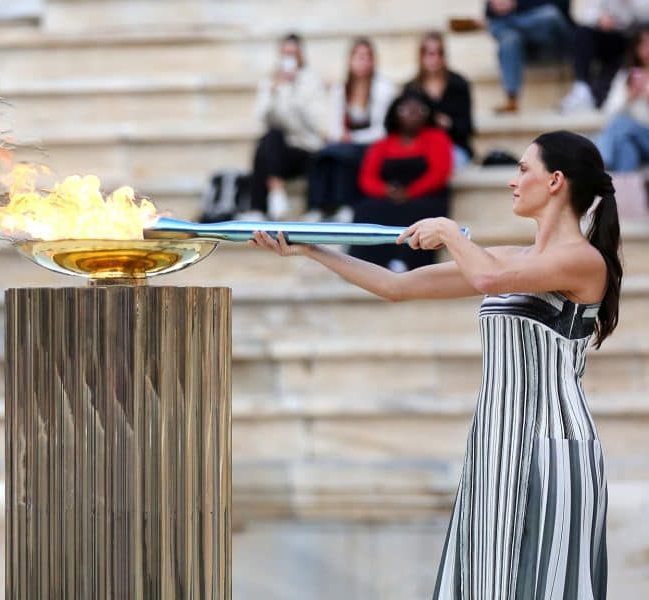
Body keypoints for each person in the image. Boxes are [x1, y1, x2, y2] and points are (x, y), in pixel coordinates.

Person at [251, 130, 620, 599]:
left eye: (524, 169)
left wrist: (447, 230)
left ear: (555, 181)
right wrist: (309, 249)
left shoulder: (584, 261)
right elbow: (396, 287)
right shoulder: (510, 257)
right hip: (494, 446)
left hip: (554, 449)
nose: (512, 180)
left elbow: (488, 277)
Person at [351, 90, 453, 272]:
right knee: (368, 208)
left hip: (425, 195)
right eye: (405, 110)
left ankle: (409, 263)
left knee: (419, 211)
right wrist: (385, 190)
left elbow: (439, 173)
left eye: (418, 110)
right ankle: (368, 264)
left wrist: (411, 192)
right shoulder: (383, 144)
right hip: (389, 194)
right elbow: (367, 178)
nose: (412, 115)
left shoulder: (436, 138)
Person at [305, 37, 396, 222]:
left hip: (373, 145)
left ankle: (339, 204)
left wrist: (352, 137)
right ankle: (319, 206)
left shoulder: (383, 88)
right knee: (327, 155)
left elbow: (381, 130)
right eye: (358, 56)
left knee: (339, 155)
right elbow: (335, 125)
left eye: (366, 57)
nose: (362, 61)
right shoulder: (340, 89)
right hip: (347, 144)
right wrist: (341, 137)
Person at [245, 33, 328, 220]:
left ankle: (268, 201)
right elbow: (261, 118)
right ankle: (275, 190)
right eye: (285, 54)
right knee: (269, 140)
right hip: (281, 149)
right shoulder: (271, 81)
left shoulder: (311, 81)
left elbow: (316, 122)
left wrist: (295, 90)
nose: (289, 58)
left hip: (306, 146)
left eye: (293, 54)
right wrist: (273, 92)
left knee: (267, 147)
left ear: (301, 55)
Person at [560, 0, 649, 111]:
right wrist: (599, 18)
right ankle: (582, 87)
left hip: (629, 42)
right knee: (582, 34)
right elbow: (580, 14)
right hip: (609, 41)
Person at [486, 0, 574, 113]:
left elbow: (561, 7)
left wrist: (515, 5)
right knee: (509, 39)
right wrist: (496, 6)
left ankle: (509, 22)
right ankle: (511, 98)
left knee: (550, 14)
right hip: (521, 41)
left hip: (550, 40)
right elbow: (489, 11)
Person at [404, 31, 476, 168]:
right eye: (430, 53)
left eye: (439, 53)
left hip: (453, 147)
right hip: (421, 147)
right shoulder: (411, 89)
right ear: (421, 56)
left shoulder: (459, 85)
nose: (435, 58)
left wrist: (449, 124)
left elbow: (468, 128)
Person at [597, 25, 649, 169]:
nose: (647, 49)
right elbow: (609, 112)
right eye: (643, 44)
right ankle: (621, 190)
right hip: (632, 136)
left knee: (621, 123)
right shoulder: (626, 76)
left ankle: (601, 159)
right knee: (627, 147)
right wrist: (629, 97)